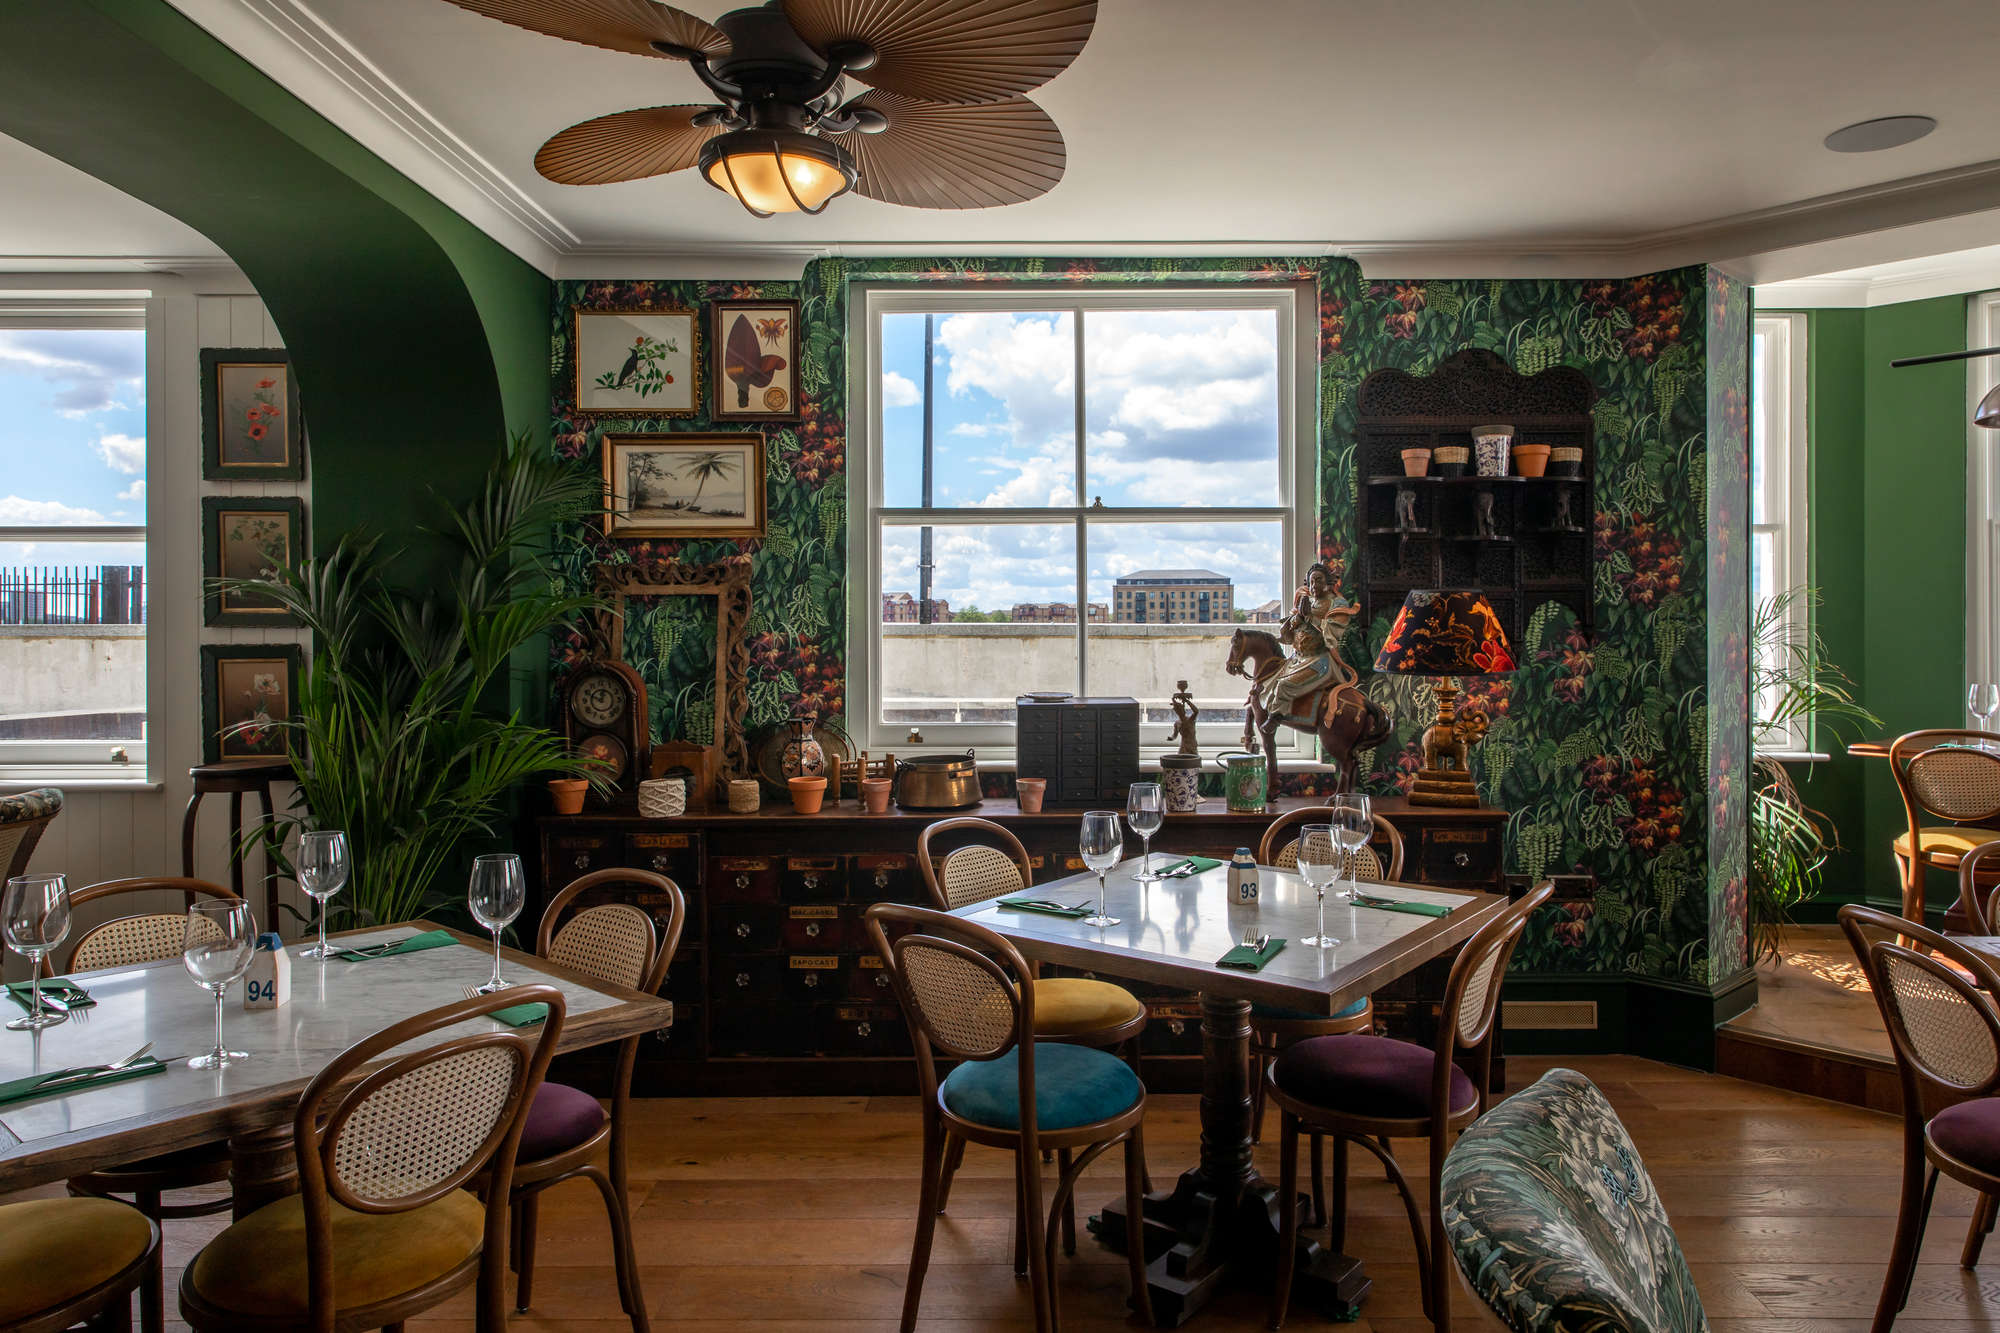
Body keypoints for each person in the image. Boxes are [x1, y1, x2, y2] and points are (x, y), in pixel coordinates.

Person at [1262, 561, 1358, 725]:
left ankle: (1274, 719)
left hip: (1319, 660)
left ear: (1328, 582)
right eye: (1312, 581)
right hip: (1298, 659)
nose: (1314, 585)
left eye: (1319, 580)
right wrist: (1298, 616)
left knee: (1284, 685)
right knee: (1268, 682)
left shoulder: (1337, 604)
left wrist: (1310, 617)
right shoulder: (1307, 600)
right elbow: (1289, 628)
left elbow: (1333, 633)